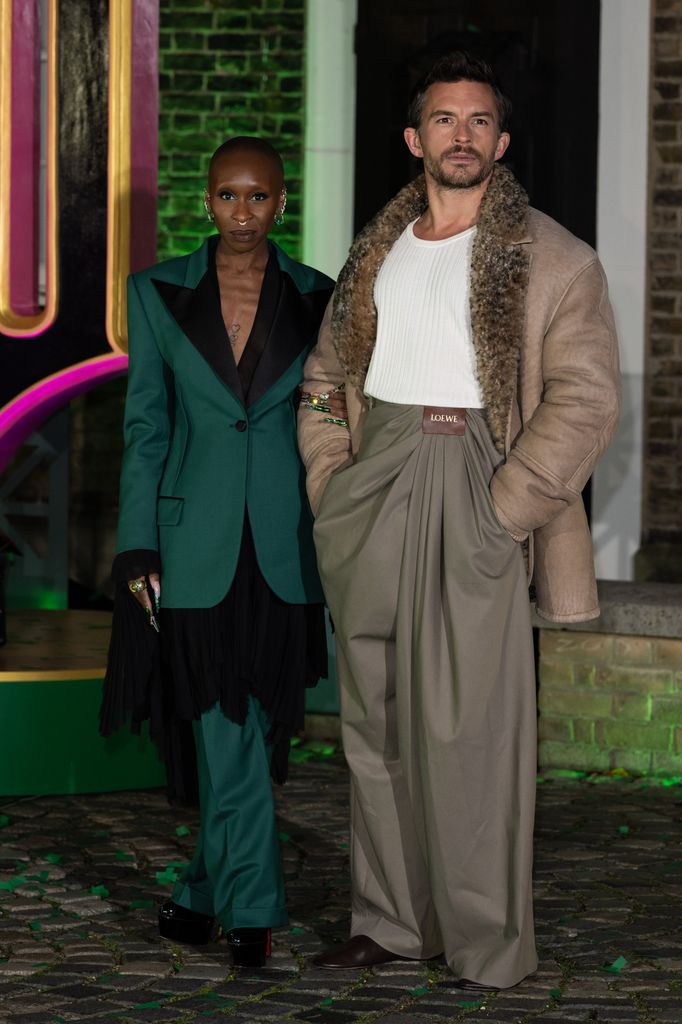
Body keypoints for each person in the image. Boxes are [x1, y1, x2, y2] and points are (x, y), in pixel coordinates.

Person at [297, 52, 620, 990]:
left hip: (481, 479)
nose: (463, 136)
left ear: (503, 141)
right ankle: (392, 924)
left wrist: (504, 511)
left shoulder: (555, 258)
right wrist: (330, 478)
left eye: (480, 121)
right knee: (378, 723)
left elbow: (588, 400)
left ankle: (484, 942)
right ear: (415, 139)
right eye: (445, 120)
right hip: (376, 479)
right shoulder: (375, 254)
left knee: (472, 730)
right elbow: (324, 384)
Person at [100, 136, 334, 968]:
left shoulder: (318, 296)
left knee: (257, 722)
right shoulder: (158, 292)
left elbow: (331, 416)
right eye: (229, 196)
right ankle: (255, 906)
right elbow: (147, 427)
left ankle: (201, 895)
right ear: (206, 200)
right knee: (219, 722)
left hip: (284, 544)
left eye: (260, 197)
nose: (244, 212)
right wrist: (135, 547)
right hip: (188, 543)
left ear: (282, 201)